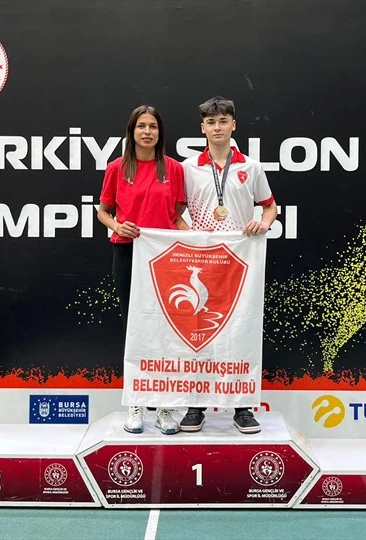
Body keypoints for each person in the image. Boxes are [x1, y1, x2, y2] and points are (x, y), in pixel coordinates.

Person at [180, 96, 277, 434]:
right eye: (211, 122)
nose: (217, 127)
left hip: (239, 263)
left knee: (239, 332)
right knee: (199, 333)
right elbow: (175, 213)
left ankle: (242, 407)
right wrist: (192, 235)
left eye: (223, 121)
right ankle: (195, 406)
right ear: (202, 128)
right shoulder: (188, 168)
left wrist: (263, 223)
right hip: (202, 263)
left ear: (234, 125)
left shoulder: (252, 167)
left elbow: (270, 207)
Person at [97, 105, 188, 435]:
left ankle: (164, 407)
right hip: (127, 254)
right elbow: (103, 212)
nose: (147, 131)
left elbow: (177, 215)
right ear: (132, 131)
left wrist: (201, 240)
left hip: (164, 258)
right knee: (133, 328)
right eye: (141, 126)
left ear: (160, 133)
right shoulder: (117, 168)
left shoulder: (173, 169)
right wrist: (117, 226)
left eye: (153, 126)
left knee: (165, 331)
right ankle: (135, 404)